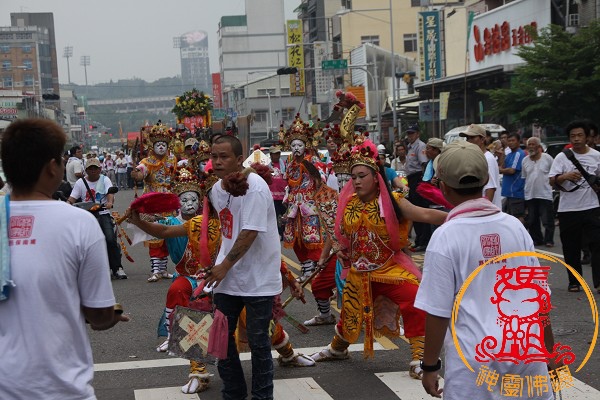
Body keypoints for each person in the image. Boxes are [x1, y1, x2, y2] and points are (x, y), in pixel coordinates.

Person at [0, 118, 128, 400]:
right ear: (51, 167)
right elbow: (99, 315)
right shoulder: (79, 223)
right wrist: (111, 315)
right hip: (61, 389)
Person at [415, 141, 555, 399]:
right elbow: (540, 297)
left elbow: (437, 311)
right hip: (526, 353)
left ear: (443, 187)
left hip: (474, 361)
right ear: (488, 179)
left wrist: (430, 366)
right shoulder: (515, 226)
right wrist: (549, 351)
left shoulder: (445, 236)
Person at [310, 138, 447, 380]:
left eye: (362, 175)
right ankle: (338, 349)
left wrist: (461, 215)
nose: (357, 181)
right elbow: (337, 233)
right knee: (350, 314)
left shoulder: (393, 201)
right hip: (359, 272)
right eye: (354, 177)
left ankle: (418, 358)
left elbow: (424, 213)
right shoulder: (348, 203)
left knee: (415, 298)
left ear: (376, 177)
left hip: (390, 269)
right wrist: (338, 249)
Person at [127, 165, 220, 394]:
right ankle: (193, 363)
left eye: (194, 199)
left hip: (221, 277)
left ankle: (285, 351)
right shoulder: (187, 224)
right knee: (184, 299)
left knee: (254, 322)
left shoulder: (217, 220)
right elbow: (162, 232)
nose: (190, 204)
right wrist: (138, 220)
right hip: (191, 277)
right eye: (185, 199)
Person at [204, 135, 282, 400]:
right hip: (226, 278)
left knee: (259, 343)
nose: (216, 162)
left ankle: (262, 396)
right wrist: (219, 265)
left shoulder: (256, 187)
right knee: (221, 339)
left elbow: (249, 232)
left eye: (223, 156)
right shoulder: (216, 189)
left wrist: (224, 265)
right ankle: (234, 392)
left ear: (239, 159)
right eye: (213, 156)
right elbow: (226, 230)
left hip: (258, 278)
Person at [549, 120, 600, 293]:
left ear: (587, 137)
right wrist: (565, 176)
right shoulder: (562, 157)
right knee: (571, 247)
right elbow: (552, 181)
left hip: (592, 206)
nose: (576, 139)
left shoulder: (596, 156)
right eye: (573, 136)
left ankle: (598, 282)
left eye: (580, 135)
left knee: (597, 245)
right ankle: (574, 282)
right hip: (568, 209)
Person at [280, 115, 327, 282]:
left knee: (312, 237)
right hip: (294, 207)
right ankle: (307, 270)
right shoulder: (291, 163)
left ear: (305, 146)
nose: (296, 148)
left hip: (309, 205)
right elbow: (289, 184)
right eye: (293, 145)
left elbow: (322, 179)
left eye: (299, 145)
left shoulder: (313, 160)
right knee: (296, 240)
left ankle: (315, 270)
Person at [131, 122, 178, 282]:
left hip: (169, 202)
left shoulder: (172, 160)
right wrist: (136, 174)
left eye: (163, 144)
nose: (161, 147)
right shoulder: (146, 162)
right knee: (153, 236)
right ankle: (155, 270)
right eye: (158, 144)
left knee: (167, 235)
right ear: (153, 146)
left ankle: (163, 270)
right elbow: (140, 172)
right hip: (153, 203)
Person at [68, 158, 127, 280]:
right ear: (86, 170)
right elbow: (72, 198)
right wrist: (66, 204)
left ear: (100, 169)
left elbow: (110, 193)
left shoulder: (105, 179)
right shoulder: (81, 182)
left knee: (110, 239)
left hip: (103, 213)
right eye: (90, 168)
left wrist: (109, 202)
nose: (93, 171)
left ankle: (117, 268)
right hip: (86, 216)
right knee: (80, 242)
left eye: (95, 168)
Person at [522, 137, 555, 247]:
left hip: (545, 193)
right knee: (532, 219)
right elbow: (525, 177)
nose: (531, 147)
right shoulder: (525, 160)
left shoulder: (547, 158)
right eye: (529, 145)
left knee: (547, 219)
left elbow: (553, 174)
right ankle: (536, 239)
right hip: (530, 194)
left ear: (538, 146)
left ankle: (549, 240)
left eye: (533, 144)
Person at [460, 124, 502, 208]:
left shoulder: (487, 159)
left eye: (472, 138)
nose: (469, 141)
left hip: (488, 212)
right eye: (467, 138)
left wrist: (484, 211)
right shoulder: (476, 157)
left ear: (482, 139)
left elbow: (490, 188)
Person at [404, 124, 430, 251]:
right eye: (408, 133)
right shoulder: (410, 147)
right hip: (411, 179)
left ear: (418, 134)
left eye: (412, 133)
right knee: (415, 211)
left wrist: (423, 182)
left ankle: (424, 241)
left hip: (418, 178)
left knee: (421, 210)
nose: (410, 136)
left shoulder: (420, 146)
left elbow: (424, 164)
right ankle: (419, 239)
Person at [498, 133, 526, 223]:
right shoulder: (510, 154)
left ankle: (523, 235)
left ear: (518, 142)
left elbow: (512, 170)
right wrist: (501, 154)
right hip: (509, 193)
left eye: (513, 140)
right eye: (509, 141)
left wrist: (501, 170)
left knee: (518, 218)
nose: (510, 143)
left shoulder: (519, 153)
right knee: (511, 218)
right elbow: (501, 166)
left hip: (516, 191)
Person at [267, 145, 287, 239]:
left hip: (284, 196)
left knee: (285, 215)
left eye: (278, 153)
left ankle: (285, 232)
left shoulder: (284, 164)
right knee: (276, 216)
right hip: (272, 196)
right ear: (271, 155)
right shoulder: (267, 166)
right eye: (275, 154)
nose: (277, 156)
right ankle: (278, 233)